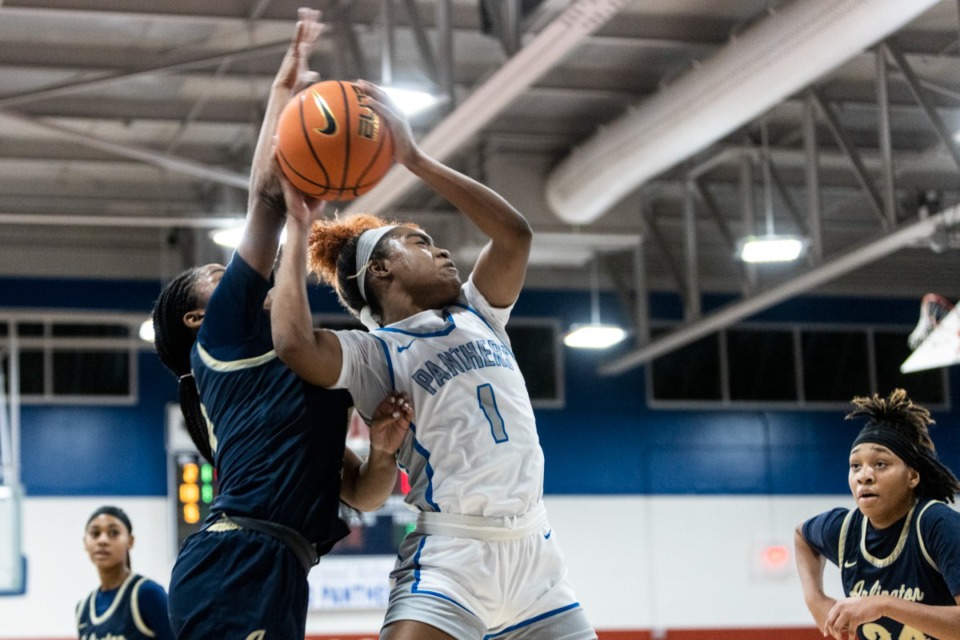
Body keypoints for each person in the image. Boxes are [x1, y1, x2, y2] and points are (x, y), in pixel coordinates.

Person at [271, 80, 597, 640]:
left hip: (535, 552)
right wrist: (298, 226)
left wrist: (415, 159)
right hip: (453, 553)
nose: (442, 250)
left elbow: (515, 235)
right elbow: (296, 343)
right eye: (420, 242)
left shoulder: (480, 312)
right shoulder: (375, 354)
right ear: (381, 271)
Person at [150, 11, 412, 639]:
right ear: (197, 316)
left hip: (274, 566)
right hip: (238, 562)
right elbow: (266, 202)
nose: (237, 274)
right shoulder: (222, 342)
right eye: (218, 271)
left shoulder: (303, 372)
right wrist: (280, 98)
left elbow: (365, 494)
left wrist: (380, 453)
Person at [795, 388, 960, 640]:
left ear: (912, 476)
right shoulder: (845, 530)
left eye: (880, 464)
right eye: (855, 466)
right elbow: (802, 535)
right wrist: (814, 600)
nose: (865, 475)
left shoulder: (938, 525)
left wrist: (883, 604)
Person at [77, 505, 175, 640]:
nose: (102, 540)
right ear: (85, 542)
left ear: (130, 541)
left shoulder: (147, 594)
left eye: (113, 533)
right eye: (95, 533)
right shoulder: (83, 609)